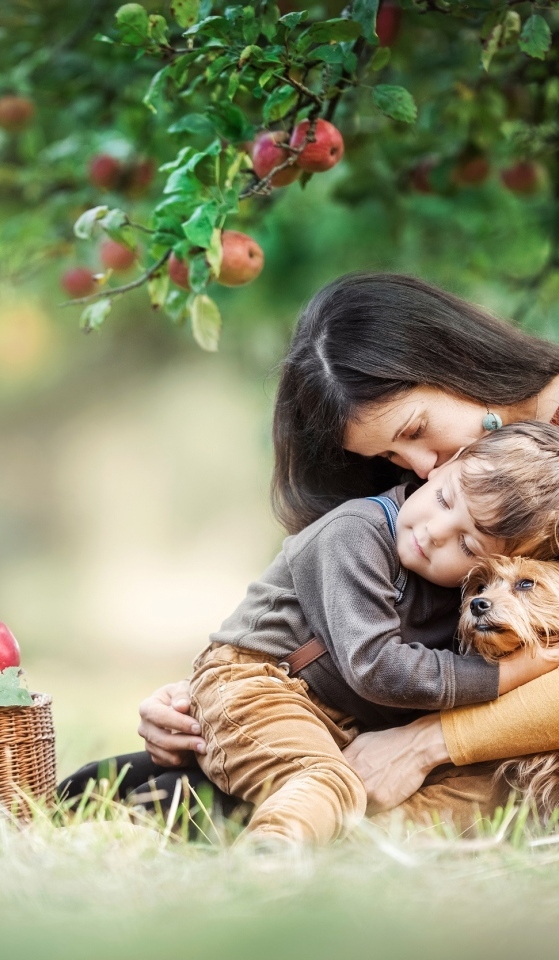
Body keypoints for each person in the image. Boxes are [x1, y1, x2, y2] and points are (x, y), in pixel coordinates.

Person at [59, 273, 559, 828]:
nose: (421, 467)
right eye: (393, 457)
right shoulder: (420, 505)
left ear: (456, 360)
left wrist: (428, 743)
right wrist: (211, 699)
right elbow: (356, 632)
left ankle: (241, 811)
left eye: (416, 428)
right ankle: (235, 791)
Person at [187, 423, 559, 844]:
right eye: (443, 500)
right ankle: (274, 847)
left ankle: (368, 848)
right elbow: (377, 668)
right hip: (264, 684)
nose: (435, 532)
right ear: (444, 467)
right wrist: (506, 675)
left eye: (469, 547)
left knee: (485, 787)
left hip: (351, 718)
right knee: (324, 778)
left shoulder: (453, 581)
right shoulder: (353, 533)